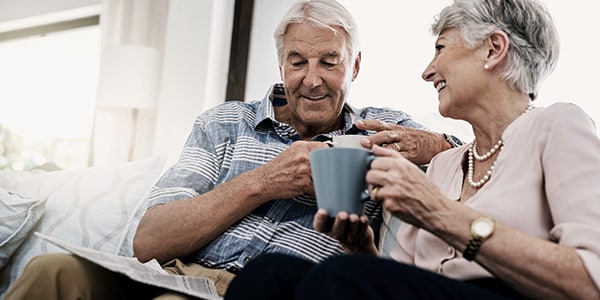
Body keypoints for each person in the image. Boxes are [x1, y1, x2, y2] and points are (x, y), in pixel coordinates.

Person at [5, 0, 460, 299]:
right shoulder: (225, 123)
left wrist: (434, 143)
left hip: (260, 290)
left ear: (355, 65)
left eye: (330, 61)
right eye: (297, 62)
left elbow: (473, 152)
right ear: (281, 65)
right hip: (172, 271)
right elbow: (149, 240)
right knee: (51, 272)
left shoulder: (378, 128)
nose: (313, 78)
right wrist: (265, 181)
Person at [224, 0, 600, 299]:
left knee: (341, 278)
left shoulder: (557, 126)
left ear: (493, 49)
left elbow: (590, 281)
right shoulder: (446, 165)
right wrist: (361, 251)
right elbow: (398, 280)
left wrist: (438, 212)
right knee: (270, 274)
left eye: (440, 48)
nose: (428, 71)